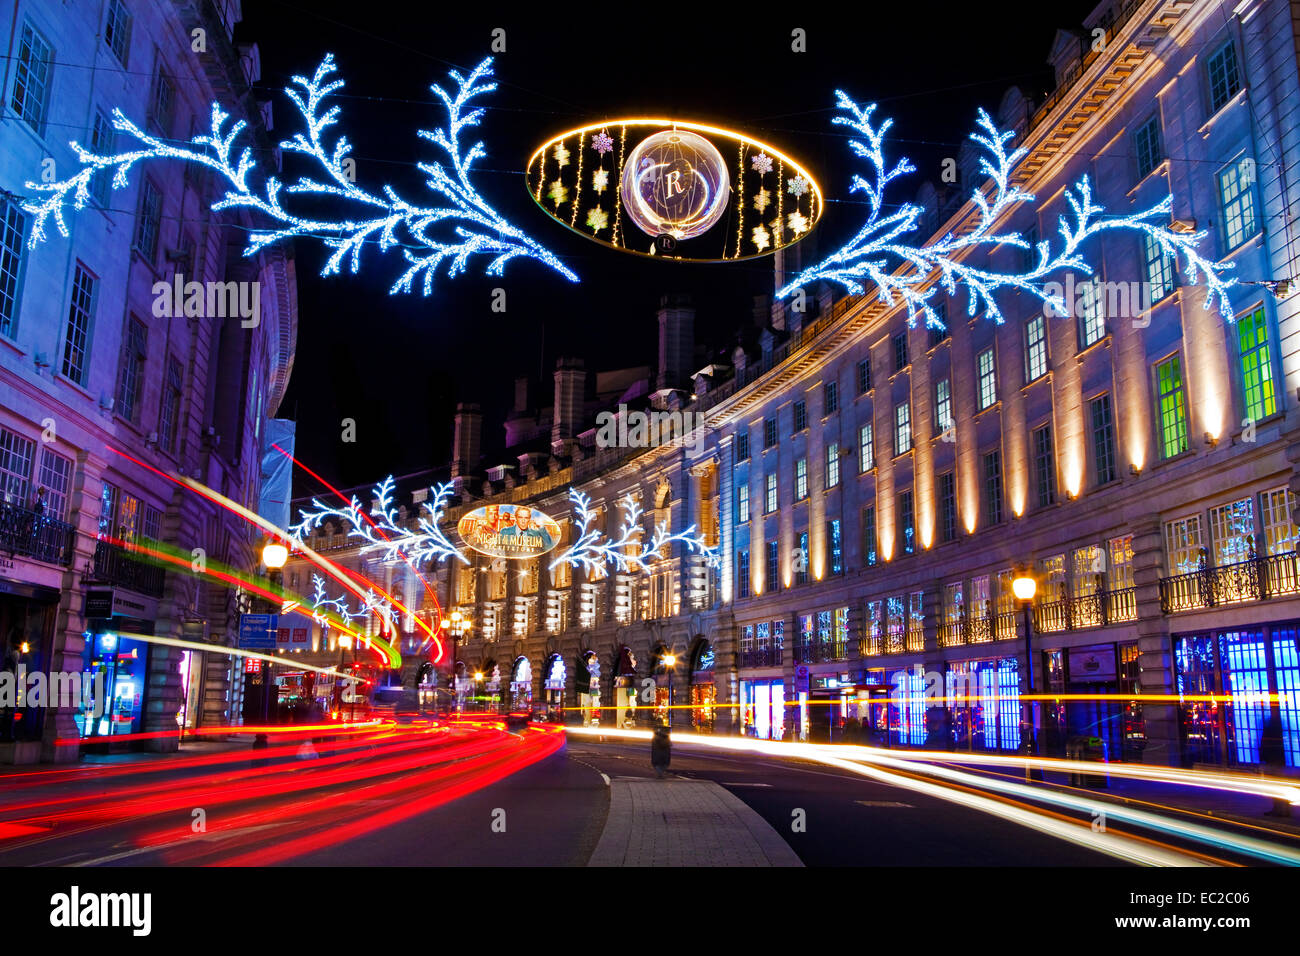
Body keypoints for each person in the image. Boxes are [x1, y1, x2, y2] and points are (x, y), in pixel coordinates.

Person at [1259, 712, 1291, 817]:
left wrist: (1263, 757)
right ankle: (1283, 810)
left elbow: (1264, 745)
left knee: (1276, 786)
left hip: (1272, 760)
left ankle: (1279, 809)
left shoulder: (1269, 731)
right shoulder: (1279, 732)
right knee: (1280, 786)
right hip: (1278, 760)